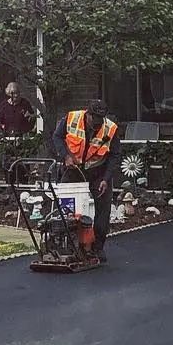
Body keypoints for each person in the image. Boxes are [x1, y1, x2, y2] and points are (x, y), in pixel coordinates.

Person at [52, 97, 121, 262]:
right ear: (87, 114)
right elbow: (57, 137)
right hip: (73, 168)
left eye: (100, 120)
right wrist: (66, 156)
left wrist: (106, 178)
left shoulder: (111, 129)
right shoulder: (71, 118)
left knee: (103, 210)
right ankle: (64, 243)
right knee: (65, 205)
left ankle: (96, 248)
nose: (97, 123)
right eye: (94, 119)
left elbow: (115, 155)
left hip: (98, 172)